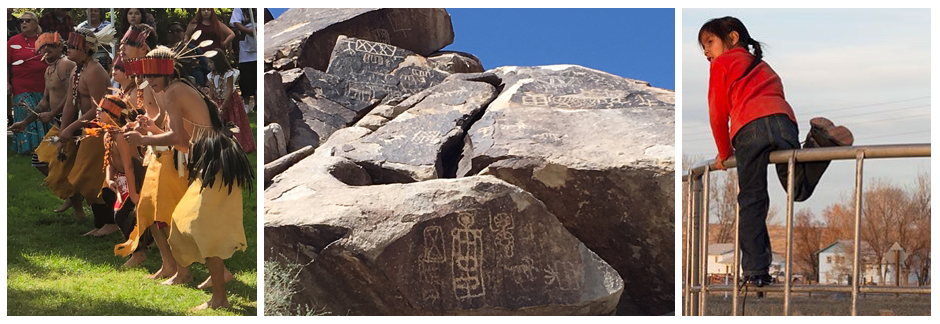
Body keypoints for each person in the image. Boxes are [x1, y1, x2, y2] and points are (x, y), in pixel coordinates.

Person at [699, 16, 854, 287]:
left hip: (749, 128)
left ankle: (756, 272)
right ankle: (820, 141)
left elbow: (717, 113)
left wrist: (724, 152)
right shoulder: (763, 66)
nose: (706, 51)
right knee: (798, 189)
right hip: (784, 122)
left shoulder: (722, 64)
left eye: (710, 42)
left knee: (752, 200)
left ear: (733, 38)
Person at [126, 45, 252, 309]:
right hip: (210, 159)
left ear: (166, 71)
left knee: (199, 226)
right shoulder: (177, 89)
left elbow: (178, 139)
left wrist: (144, 138)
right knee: (184, 221)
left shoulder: (174, 91)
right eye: (147, 76)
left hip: (217, 160)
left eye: (153, 75)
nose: (149, 81)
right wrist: (151, 129)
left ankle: (220, 298)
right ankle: (215, 283)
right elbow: (183, 142)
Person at [58, 27, 120, 237]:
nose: (68, 48)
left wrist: (72, 127)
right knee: (84, 175)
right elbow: (70, 103)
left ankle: (110, 222)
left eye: (73, 46)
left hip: (101, 129)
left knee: (91, 175)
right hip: (88, 129)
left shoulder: (94, 71)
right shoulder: (78, 70)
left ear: (86, 50)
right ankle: (101, 221)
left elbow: (99, 107)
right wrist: (63, 131)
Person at [11, 31, 81, 217]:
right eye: (42, 47)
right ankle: (73, 197)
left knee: (65, 165)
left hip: (74, 123)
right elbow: (44, 101)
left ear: (60, 47)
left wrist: (52, 113)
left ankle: (78, 206)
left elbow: (72, 96)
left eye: (50, 46)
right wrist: (25, 122)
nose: (46, 50)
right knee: (41, 160)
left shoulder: (67, 65)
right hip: (60, 123)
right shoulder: (49, 70)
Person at [89, 94, 151, 267]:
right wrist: (109, 179)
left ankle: (139, 253)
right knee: (120, 215)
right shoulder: (107, 135)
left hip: (135, 177)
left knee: (124, 215)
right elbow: (109, 161)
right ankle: (138, 252)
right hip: (123, 179)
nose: (97, 113)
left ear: (114, 115)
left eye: (101, 111)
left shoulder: (122, 136)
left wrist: (133, 193)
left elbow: (130, 165)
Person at [8, 11, 49, 155]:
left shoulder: (44, 40)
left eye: (27, 20)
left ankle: (45, 147)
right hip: (21, 85)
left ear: (36, 23)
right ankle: (29, 148)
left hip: (43, 85)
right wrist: (6, 83)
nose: (23, 23)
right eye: (21, 21)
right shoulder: (13, 41)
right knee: (28, 111)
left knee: (42, 113)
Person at [206, 51, 255, 153]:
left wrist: (223, 106)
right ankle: (222, 146)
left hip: (230, 101)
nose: (209, 65)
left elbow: (229, 91)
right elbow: (211, 91)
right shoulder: (210, 76)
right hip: (217, 100)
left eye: (210, 62)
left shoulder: (228, 74)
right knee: (219, 123)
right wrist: (210, 103)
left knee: (234, 121)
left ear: (218, 62)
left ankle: (239, 145)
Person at [165, 21, 209, 87]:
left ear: (184, 33)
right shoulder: (163, 52)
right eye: (171, 31)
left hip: (198, 87)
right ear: (167, 35)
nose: (175, 33)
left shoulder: (194, 49)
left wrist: (207, 86)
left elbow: (207, 70)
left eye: (178, 30)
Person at [229, 8, 256, 113]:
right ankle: (246, 105)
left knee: (257, 80)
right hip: (246, 53)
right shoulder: (239, 8)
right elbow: (235, 23)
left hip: (259, 51)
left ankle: (258, 105)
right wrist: (249, 31)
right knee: (246, 81)